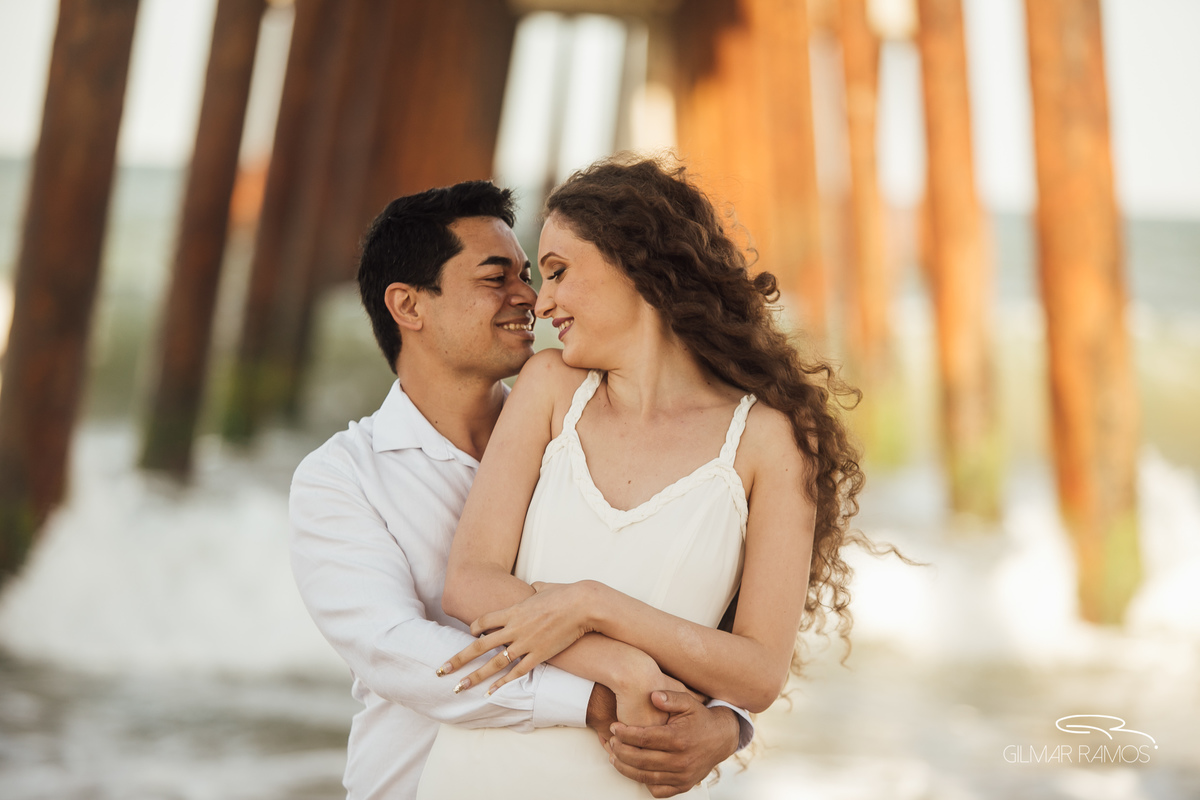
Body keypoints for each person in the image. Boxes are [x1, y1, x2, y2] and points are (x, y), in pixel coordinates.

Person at [418, 156, 870, 798]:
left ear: (637, 265)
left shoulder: (769, 441)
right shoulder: (550, 388)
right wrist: (622, 667)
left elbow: (758, 674)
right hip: (479, 774)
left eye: (559, 272)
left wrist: (592, 603)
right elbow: (470, 585)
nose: (541, 304)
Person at [289, 180, 752, 800]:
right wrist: (593, 698)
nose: (530, 298)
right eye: (494, 278)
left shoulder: (577, 428)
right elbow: (398, 652)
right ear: (409, 306)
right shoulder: (344, 477)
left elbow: (683, 589)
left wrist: (728, 722)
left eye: (532, 273)